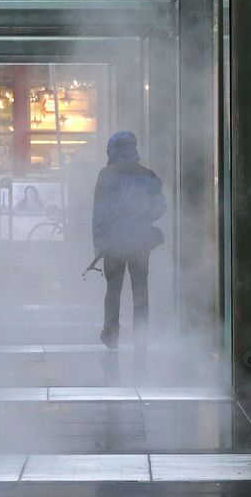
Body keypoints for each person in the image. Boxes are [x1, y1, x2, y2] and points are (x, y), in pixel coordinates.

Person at [92, 131, 165, 352]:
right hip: (140, 242)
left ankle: (111, 334)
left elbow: (99, 213)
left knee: (113, 290)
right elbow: (160, 207)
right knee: (140, 290)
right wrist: (143, 219)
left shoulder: (106, 175)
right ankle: (141, 336)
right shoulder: (148, 175)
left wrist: (99, 242)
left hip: (114, 242)